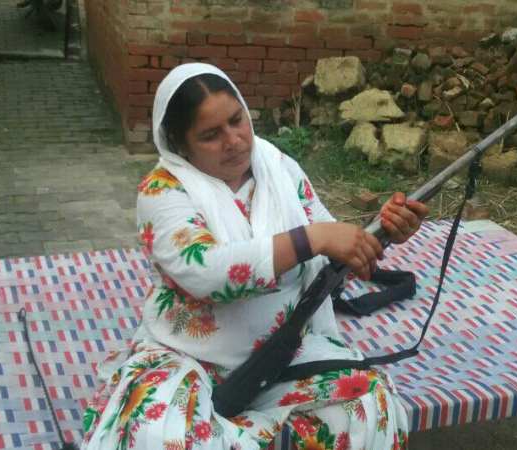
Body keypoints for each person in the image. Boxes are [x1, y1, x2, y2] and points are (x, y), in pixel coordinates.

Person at [80, 63, 428, 450]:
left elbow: (329, 257)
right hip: (189, 355)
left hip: (285, 346)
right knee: (158, 433)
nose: (233, 141)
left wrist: (381, 233)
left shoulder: (277, 167)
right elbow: (207, 272)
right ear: (180, 144)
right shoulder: (162, 191)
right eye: (211, 135)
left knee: (368, 408)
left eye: (236, 120)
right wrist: (310, 239)